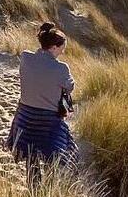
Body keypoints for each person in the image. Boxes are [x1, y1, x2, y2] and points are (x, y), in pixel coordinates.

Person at [6, 22, 76, 177]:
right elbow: (69, 88)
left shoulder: (25, 57)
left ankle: (34, 182)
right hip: (47, 120)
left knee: (32, 154)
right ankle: (49, 184)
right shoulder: (61, 68)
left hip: (24, 116)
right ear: (53, 47)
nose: (62, 51)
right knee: (60, 151)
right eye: (62, 48)